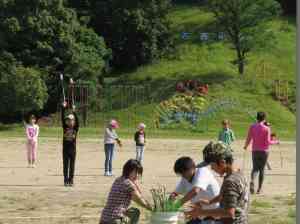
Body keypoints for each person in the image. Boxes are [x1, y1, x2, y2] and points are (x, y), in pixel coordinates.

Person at [185, 142, 249, 224]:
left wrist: (201, 212)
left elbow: (229, 213)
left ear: (222, 162)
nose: (211, 168)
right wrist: (210, 202)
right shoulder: (238, 173)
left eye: (212, 165)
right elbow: (226, 195)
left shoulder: (230, 181)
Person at [170, 155, 220, 224]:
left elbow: (195, 191)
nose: (183, 175)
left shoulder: (202, 171)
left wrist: (178, 204)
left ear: (192, 168)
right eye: (181, 173)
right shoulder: (185, 177)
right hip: (200, 214)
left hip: (215, 213)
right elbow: (175, 193)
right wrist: (169, 203)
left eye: (184, 172)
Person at [99, 159, 152, 224]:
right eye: (135, 172)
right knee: (134, 213)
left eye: (139, 173)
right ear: (128, 171)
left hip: (104, 218)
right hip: (114, 220)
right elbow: (139, 199)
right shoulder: (128, 183)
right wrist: (152, 208)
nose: (137, 175)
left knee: (134, 211)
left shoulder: (119, 179)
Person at [244, 112, 279, 194]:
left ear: (257, 118)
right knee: (262, 169)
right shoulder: (267, 128)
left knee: (255, 168)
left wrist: (246, 145)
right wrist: (276, 142)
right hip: (264, 151)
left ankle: (252, 180)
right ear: (264, 118)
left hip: (255, 150)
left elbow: (249, 137)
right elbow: (268, 142)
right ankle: (259, 189)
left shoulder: (252, 126)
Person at [61, 101, 79, 187]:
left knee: (72, 166)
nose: (69, 121)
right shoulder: (65, 128)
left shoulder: (76, 128)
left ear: (74, 122)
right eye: (68, 120)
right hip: (65, 150)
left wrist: (74, 111)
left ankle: (71, 180)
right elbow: (62, 117)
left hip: (73, 150)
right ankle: (65, 180)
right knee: (65, 166)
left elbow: (78, 121)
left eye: (71, 120)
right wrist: (63, 108)